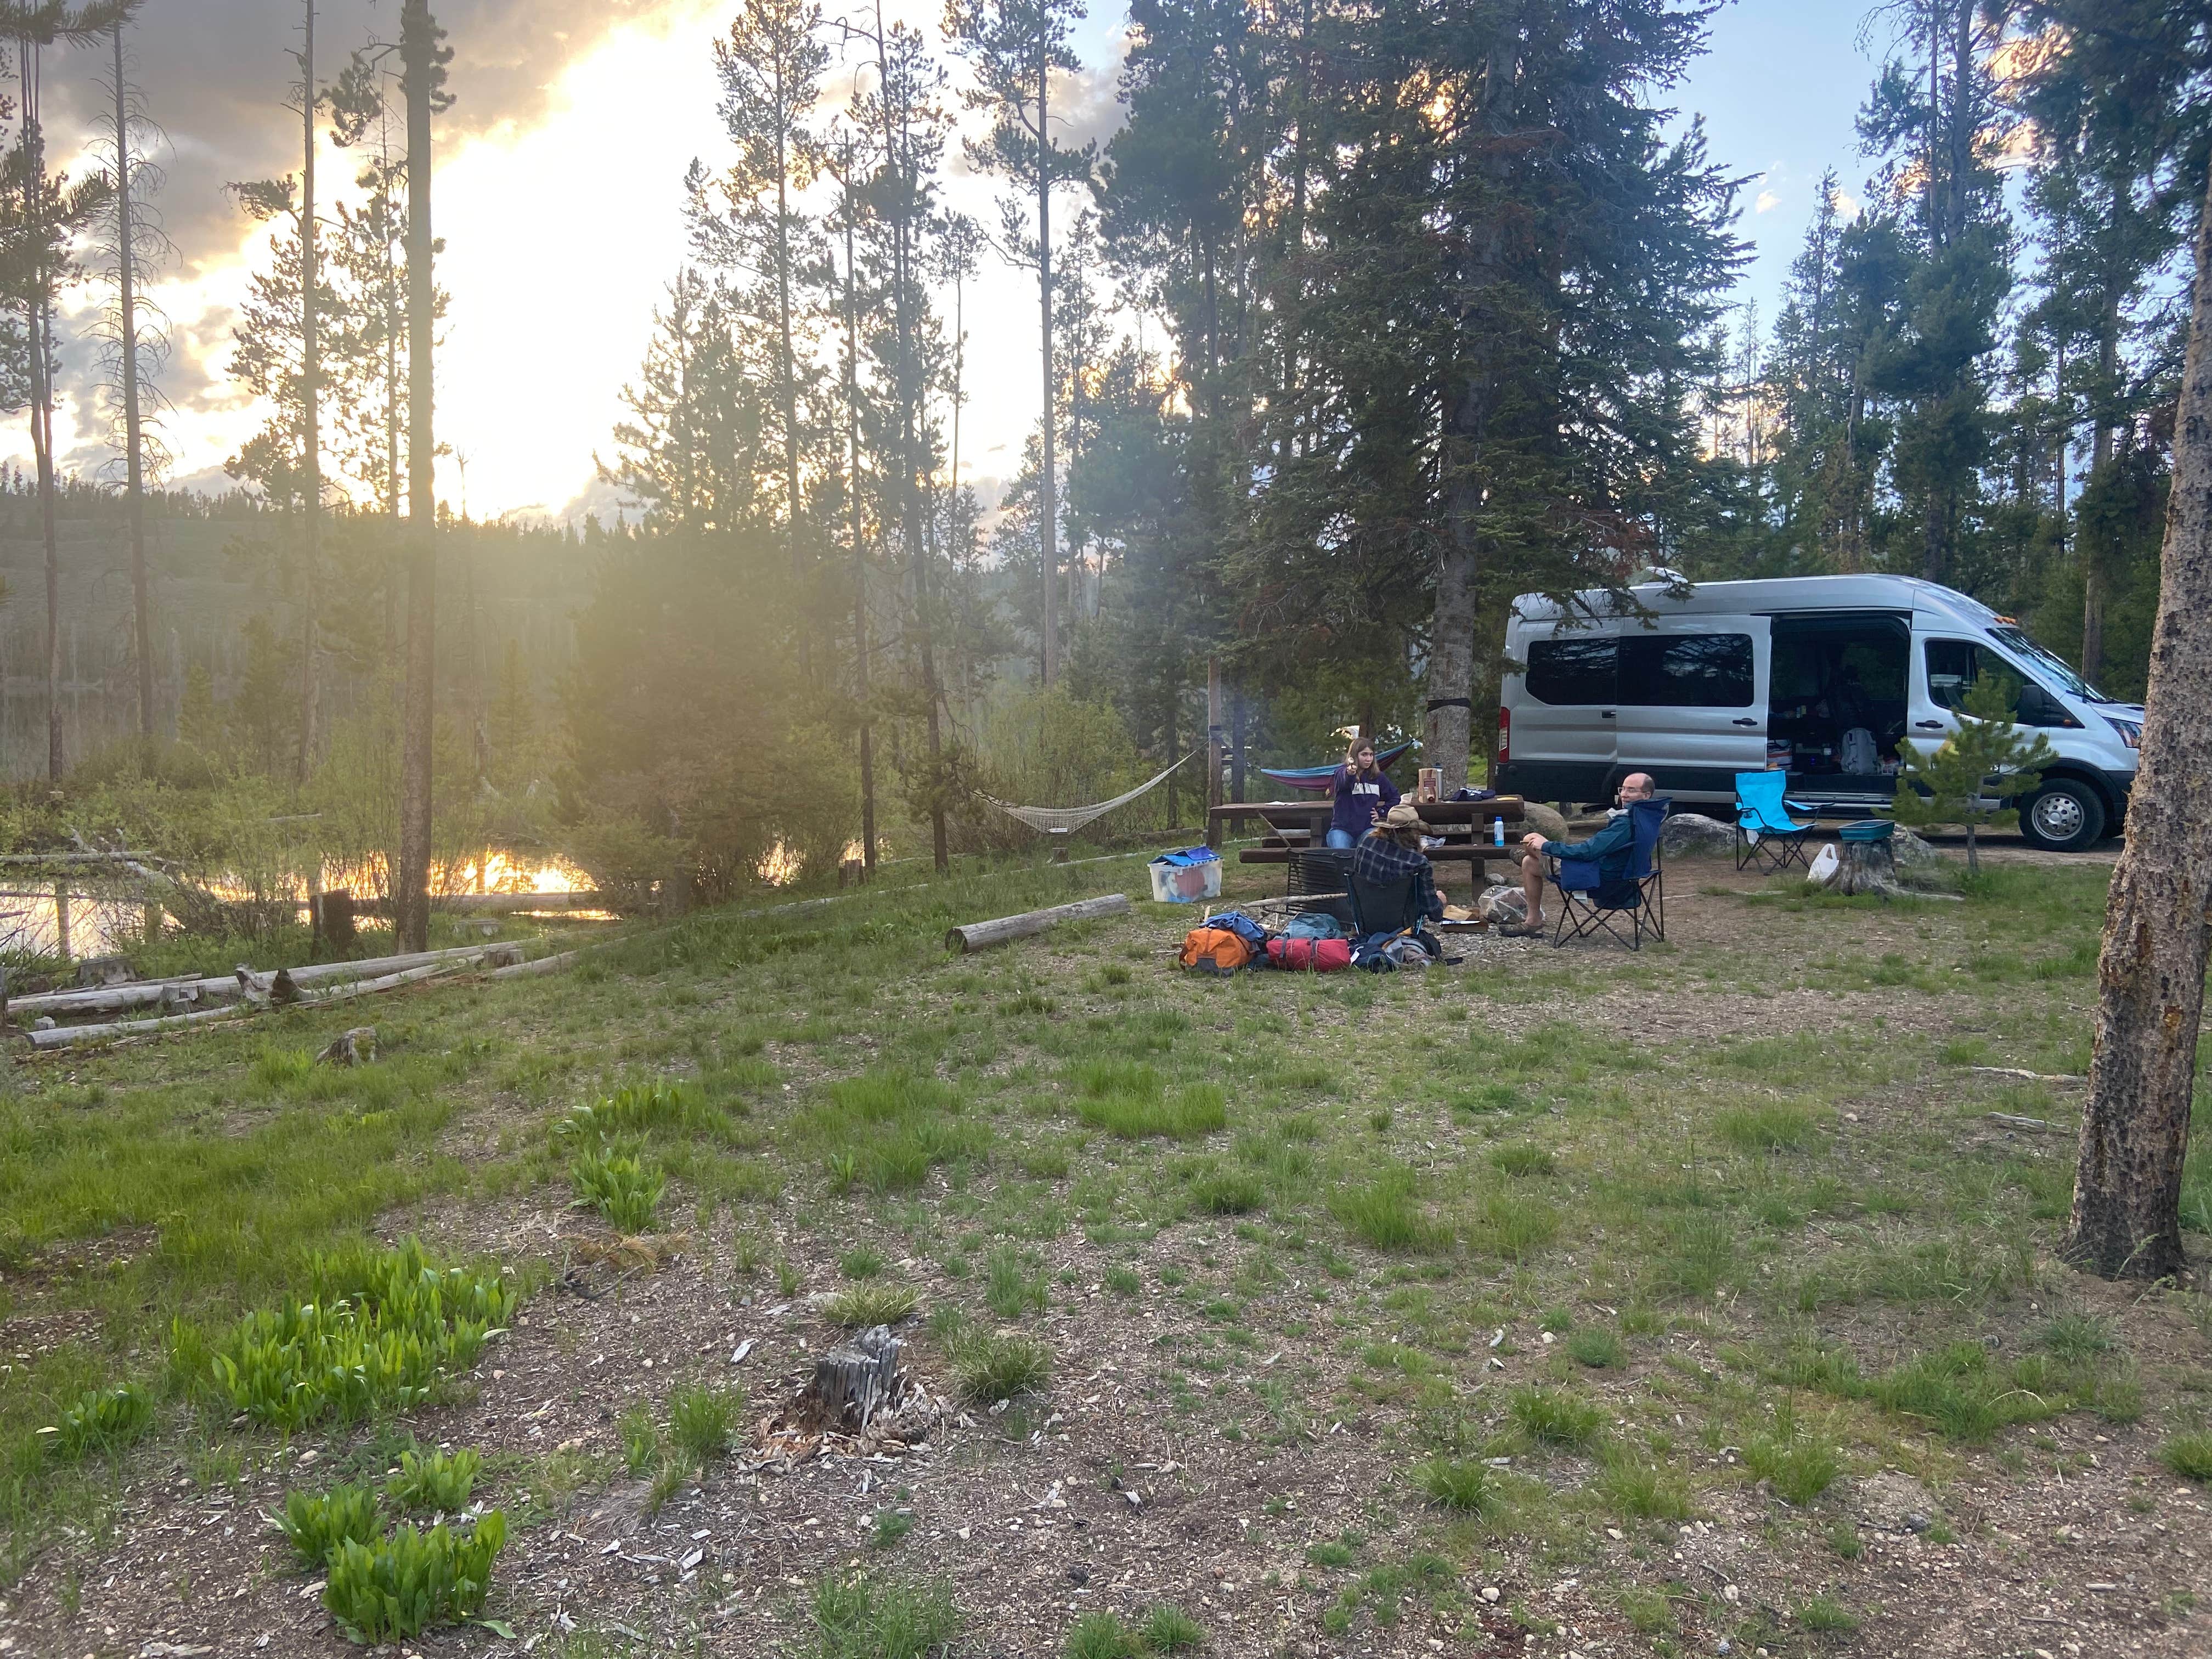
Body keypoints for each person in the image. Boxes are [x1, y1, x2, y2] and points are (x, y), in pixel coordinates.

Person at [1503, 772, 1656, 938]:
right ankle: (1533, 922)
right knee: (1529, 863)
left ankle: (1536, 855)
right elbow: (1596, 848)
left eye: (1631, 790)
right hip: (1623, 879)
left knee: (1531, 839)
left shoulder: (1626, 824)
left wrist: (1547, 846)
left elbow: (1588, 852)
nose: (1624, 795)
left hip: (1597, 880)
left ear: (1646, 795)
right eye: (1623, 789)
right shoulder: (1647, 819)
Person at [1352, 801, 1446, 926]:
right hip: (1401, 924)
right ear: (1414, 833)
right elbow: (1434, 913)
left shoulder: (1366, 844)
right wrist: (1440, 900)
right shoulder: (1418, 862)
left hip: (1365, 920)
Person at [1327, 739, 1400, 849]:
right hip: (1342, 830)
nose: (1369, 759)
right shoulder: (1341, 772)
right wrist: (1350, 773)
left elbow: (1395, 797)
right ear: (1354, 756)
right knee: (1341, 855)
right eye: (1364, 755)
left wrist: (1382, 813)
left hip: (1368, 828)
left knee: (1370, 851)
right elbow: (1344, 781)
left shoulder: (1378, 777)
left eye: (1371, 755)